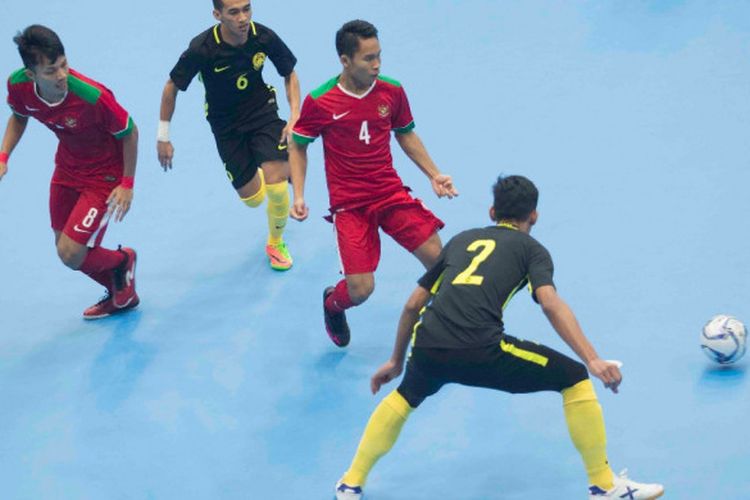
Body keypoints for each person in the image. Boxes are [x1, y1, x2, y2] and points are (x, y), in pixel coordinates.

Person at [334, 176, 665, 499]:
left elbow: (412, 305)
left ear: (492, 212)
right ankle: (604, 486)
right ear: (533, 215)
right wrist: (592, 359)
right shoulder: (532, 250)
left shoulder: (462, 240)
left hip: (428, 345)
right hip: (481, 349)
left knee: (405, 396)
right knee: (575, 377)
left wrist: (396, 360)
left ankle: (350, 482)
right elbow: (550, 303)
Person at [290, 19, 458, 347]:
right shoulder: (321, 101)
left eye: (379, 55)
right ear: (345, 60)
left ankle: (441, 326)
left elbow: (405, 134)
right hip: (350, 205)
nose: (377, 64)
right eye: (369, 58)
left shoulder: (391, 91)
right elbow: (298, 144)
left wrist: (433, 174)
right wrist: (298, 194)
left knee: (440, 261)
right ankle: (331, 304)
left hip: (389, 193)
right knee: (361, 290)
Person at [1, 25, 139, 320]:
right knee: (63, 248)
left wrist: (127, 183)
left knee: (71, 252)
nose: (62, 75)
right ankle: (121, 288)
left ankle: (122, 262)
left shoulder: (92, 96)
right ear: (32, 74)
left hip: (104, 176)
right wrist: (4, 156)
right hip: (67, 169)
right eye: (51, 71)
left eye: (64, 64)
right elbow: (19, 116)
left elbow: (129, 131)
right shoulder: (18, 85)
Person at [157, 0, 300, 271]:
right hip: (225, 125)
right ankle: (271, 165)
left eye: (247, 9)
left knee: (277, 186)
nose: (243, 18)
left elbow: (289, 73)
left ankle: (275, 241)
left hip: (262, 112)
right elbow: (170, 87)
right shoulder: (202, 48)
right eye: (234, 12)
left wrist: (294, 117)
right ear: (217, 15)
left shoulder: (263, 36)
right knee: (254, 199)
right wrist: (163, 137)